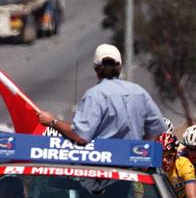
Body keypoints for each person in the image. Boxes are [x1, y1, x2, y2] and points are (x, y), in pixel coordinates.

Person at [38, 44, 166, 144]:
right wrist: (141, 152)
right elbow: (159, 129)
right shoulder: (139, 92)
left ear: (95, 68)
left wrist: (52, 121)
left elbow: (80, 135)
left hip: (104, 170)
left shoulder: (95, 95)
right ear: (120, 67)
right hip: (136, 173)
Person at [156, 133, 196, 198]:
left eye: (169, 156)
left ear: (175, 154)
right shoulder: (150, 165)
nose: (164, 160)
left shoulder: (184, 164)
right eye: (160, 155)